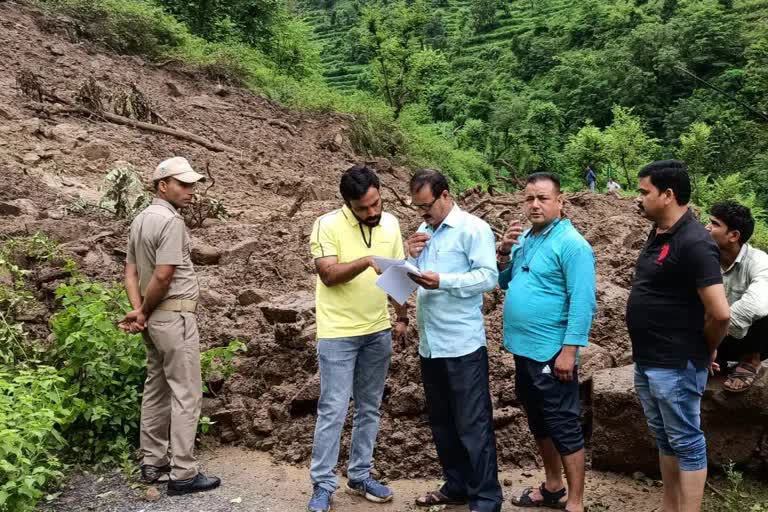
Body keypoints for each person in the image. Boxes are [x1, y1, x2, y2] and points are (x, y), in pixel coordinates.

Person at [626, 160, 730, 512]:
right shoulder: (659, 233)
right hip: (649, 360)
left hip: (677, 361)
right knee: (666, 439)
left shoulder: (695, 242)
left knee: (686, 441)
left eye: (644, 191)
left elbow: (720, 312)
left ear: (668, 195)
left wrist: (707, 349)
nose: (637, 198)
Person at [306, 164, 408, 512]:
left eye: (376, 203)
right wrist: (365, 261)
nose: (372, 212)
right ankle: (322, 484)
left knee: (369, 407)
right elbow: (329, 275)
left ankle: (360, 474)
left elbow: (395, 274)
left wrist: (402, 316)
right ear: (347, 204)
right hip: (337, 333)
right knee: (333, 408)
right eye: (363, 208)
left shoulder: (391, 224)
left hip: (377, 330)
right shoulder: (327, 224)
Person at [119, 156, 221, 495]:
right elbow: (163, 275)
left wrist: (138, 312)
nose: (191, 191)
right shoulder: (171, 222)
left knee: (157, 386)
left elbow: (131, 272)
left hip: (152, 320)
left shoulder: (141, 219)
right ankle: (184, 474)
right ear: (163, 185)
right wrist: (145, 309)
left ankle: (153, 462)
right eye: (184, 184)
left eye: (193, 184)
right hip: (174, 316)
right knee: (186, 393)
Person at [407, 169, 503, 512]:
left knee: (472, 425)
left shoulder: (473, 229)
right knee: (442, 422)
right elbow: (411, 279)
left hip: (462, 345)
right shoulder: (423, 231)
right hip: (430, 344)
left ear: (446, 195)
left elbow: (488, 277)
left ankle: (486, 498)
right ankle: (456, 484)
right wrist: (407, 258)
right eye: (417, 207)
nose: (423, 214)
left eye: (427, 205)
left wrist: (443, 281)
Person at [498, 172, 596, 512]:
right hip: (523, 349)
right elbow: (503, 281)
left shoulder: (573, 245)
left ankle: (577, 502)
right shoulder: (527, 237)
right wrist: (505, 251)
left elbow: (583, 301)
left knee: (564, 423)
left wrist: (569, 351)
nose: (535, 205)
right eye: (529, 198)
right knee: (539, 419)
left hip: (553, 351)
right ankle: (553, 486)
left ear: (560, 201)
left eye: (542, 198)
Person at [705, 200, 768, 392]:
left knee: (762, 305)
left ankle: (750, 359)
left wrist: (713, 337)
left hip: (746, 335)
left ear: (734, 235)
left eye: (715, 224)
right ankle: (716, 360)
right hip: (712, 335)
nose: (706, 227)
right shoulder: (704, 259)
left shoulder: (759, 262)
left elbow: (756, 304)